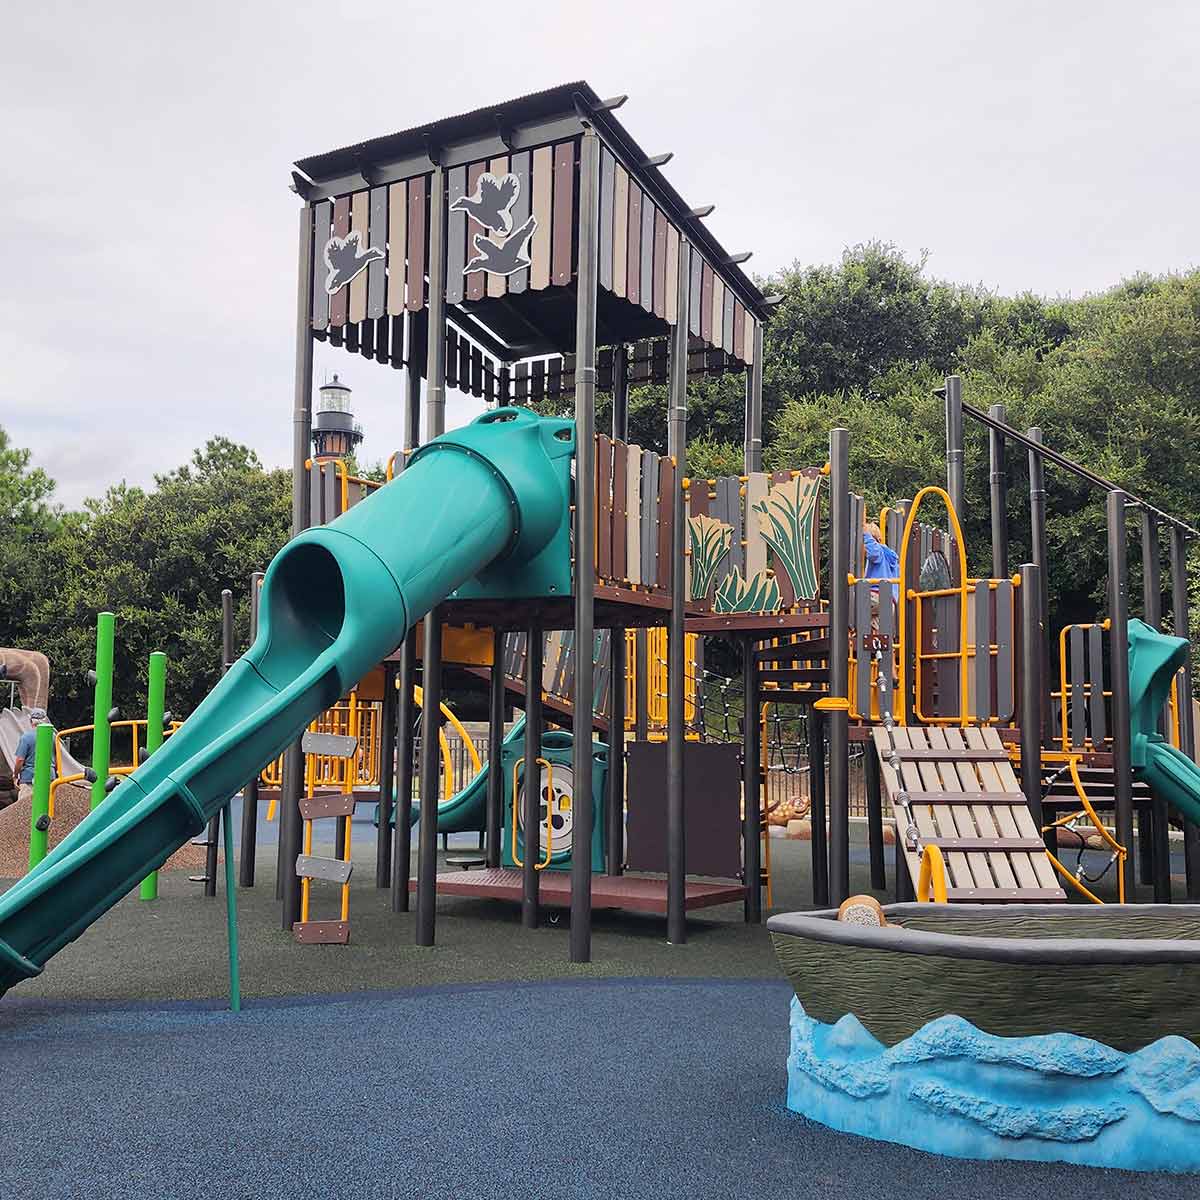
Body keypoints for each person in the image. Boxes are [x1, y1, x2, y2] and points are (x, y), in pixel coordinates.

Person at [12, 707, 49, 809]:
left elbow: (20, 760)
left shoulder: (26, 737)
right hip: (49, 778)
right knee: (46, 808)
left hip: (30, 779)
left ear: (31, 721)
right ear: (45, 720)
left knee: (24, 809)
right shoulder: (53, 737)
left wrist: (15, 775)